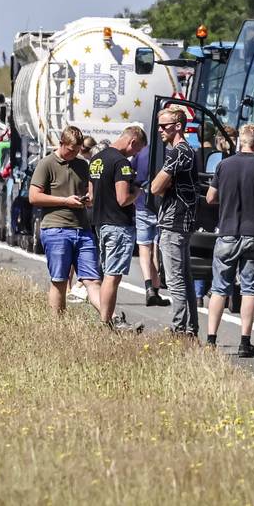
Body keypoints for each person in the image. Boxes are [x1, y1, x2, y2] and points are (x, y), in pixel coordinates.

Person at [204, 124, 254, 357]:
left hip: (227, 232)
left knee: (219, 288)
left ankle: (211, 340)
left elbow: (210, 198)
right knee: (249, 289)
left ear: (240, 142)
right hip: (253, 234)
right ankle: (245, 343)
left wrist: (227, 199)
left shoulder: (223, 165)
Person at [28, 126, 103, 317]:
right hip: (56, 229)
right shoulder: (46, 164)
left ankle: (110, 317)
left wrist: (87, 199)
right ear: (61, 144)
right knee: (60, 280)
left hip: (83, 229)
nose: (74, 154)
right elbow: (34, 197)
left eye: (77, 151)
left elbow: (90, 191)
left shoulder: (82, 165)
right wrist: (65, 201)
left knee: (93, 280)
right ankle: (57, 325)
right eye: (71, 150)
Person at [88, 126, 147, 330]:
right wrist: (137, 192)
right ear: (132, 142)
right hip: (118, 224)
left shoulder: (96, 159)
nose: (135, 154)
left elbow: (91, 196)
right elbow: (123, 199)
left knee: (107, 274)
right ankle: (106, 323)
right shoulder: (121, 163)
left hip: (100, 222)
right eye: (136, 150)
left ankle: (106, 320)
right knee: (113, 276)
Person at [150, 108, 199, 336]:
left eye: (164, 126)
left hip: (173, 220)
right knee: (185, 278)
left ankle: (179, 328)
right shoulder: (187, 151)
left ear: (178, 125)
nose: (160, 130)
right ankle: (190, 328)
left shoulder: (178, 152)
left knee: (175, 279)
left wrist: (162, 184)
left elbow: (155, 187)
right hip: (183, 220)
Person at [132, 143, 167, 306]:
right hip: (162, 205)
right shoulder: (170, 151)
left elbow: (134, 177)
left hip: (142, 203)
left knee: (144, 248)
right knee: (156, 248)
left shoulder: (141, 153)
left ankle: (149, 286)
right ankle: (156, 287)